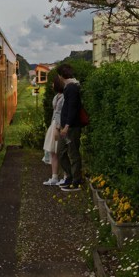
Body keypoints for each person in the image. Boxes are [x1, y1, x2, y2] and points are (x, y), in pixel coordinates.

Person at [55, 63, 84, 191]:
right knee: (60, 151)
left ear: (61, 75)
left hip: (71, 127)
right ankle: (70, 176)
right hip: (67, 126)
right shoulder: (70, 87)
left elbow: (72, 109)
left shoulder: (72, 88)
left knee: (73, 153)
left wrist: (66, 126)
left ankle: (76, 181)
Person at [42, 75, 67, 185]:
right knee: (53, 152)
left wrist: (57, 127)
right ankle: (54, 177)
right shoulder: (57, 96)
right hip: (54, 125)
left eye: (53, 82)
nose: (52, 84)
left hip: (59, 126)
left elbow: (60, 114)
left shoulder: (63, 97)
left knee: (60, 152)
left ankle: (66, 176)